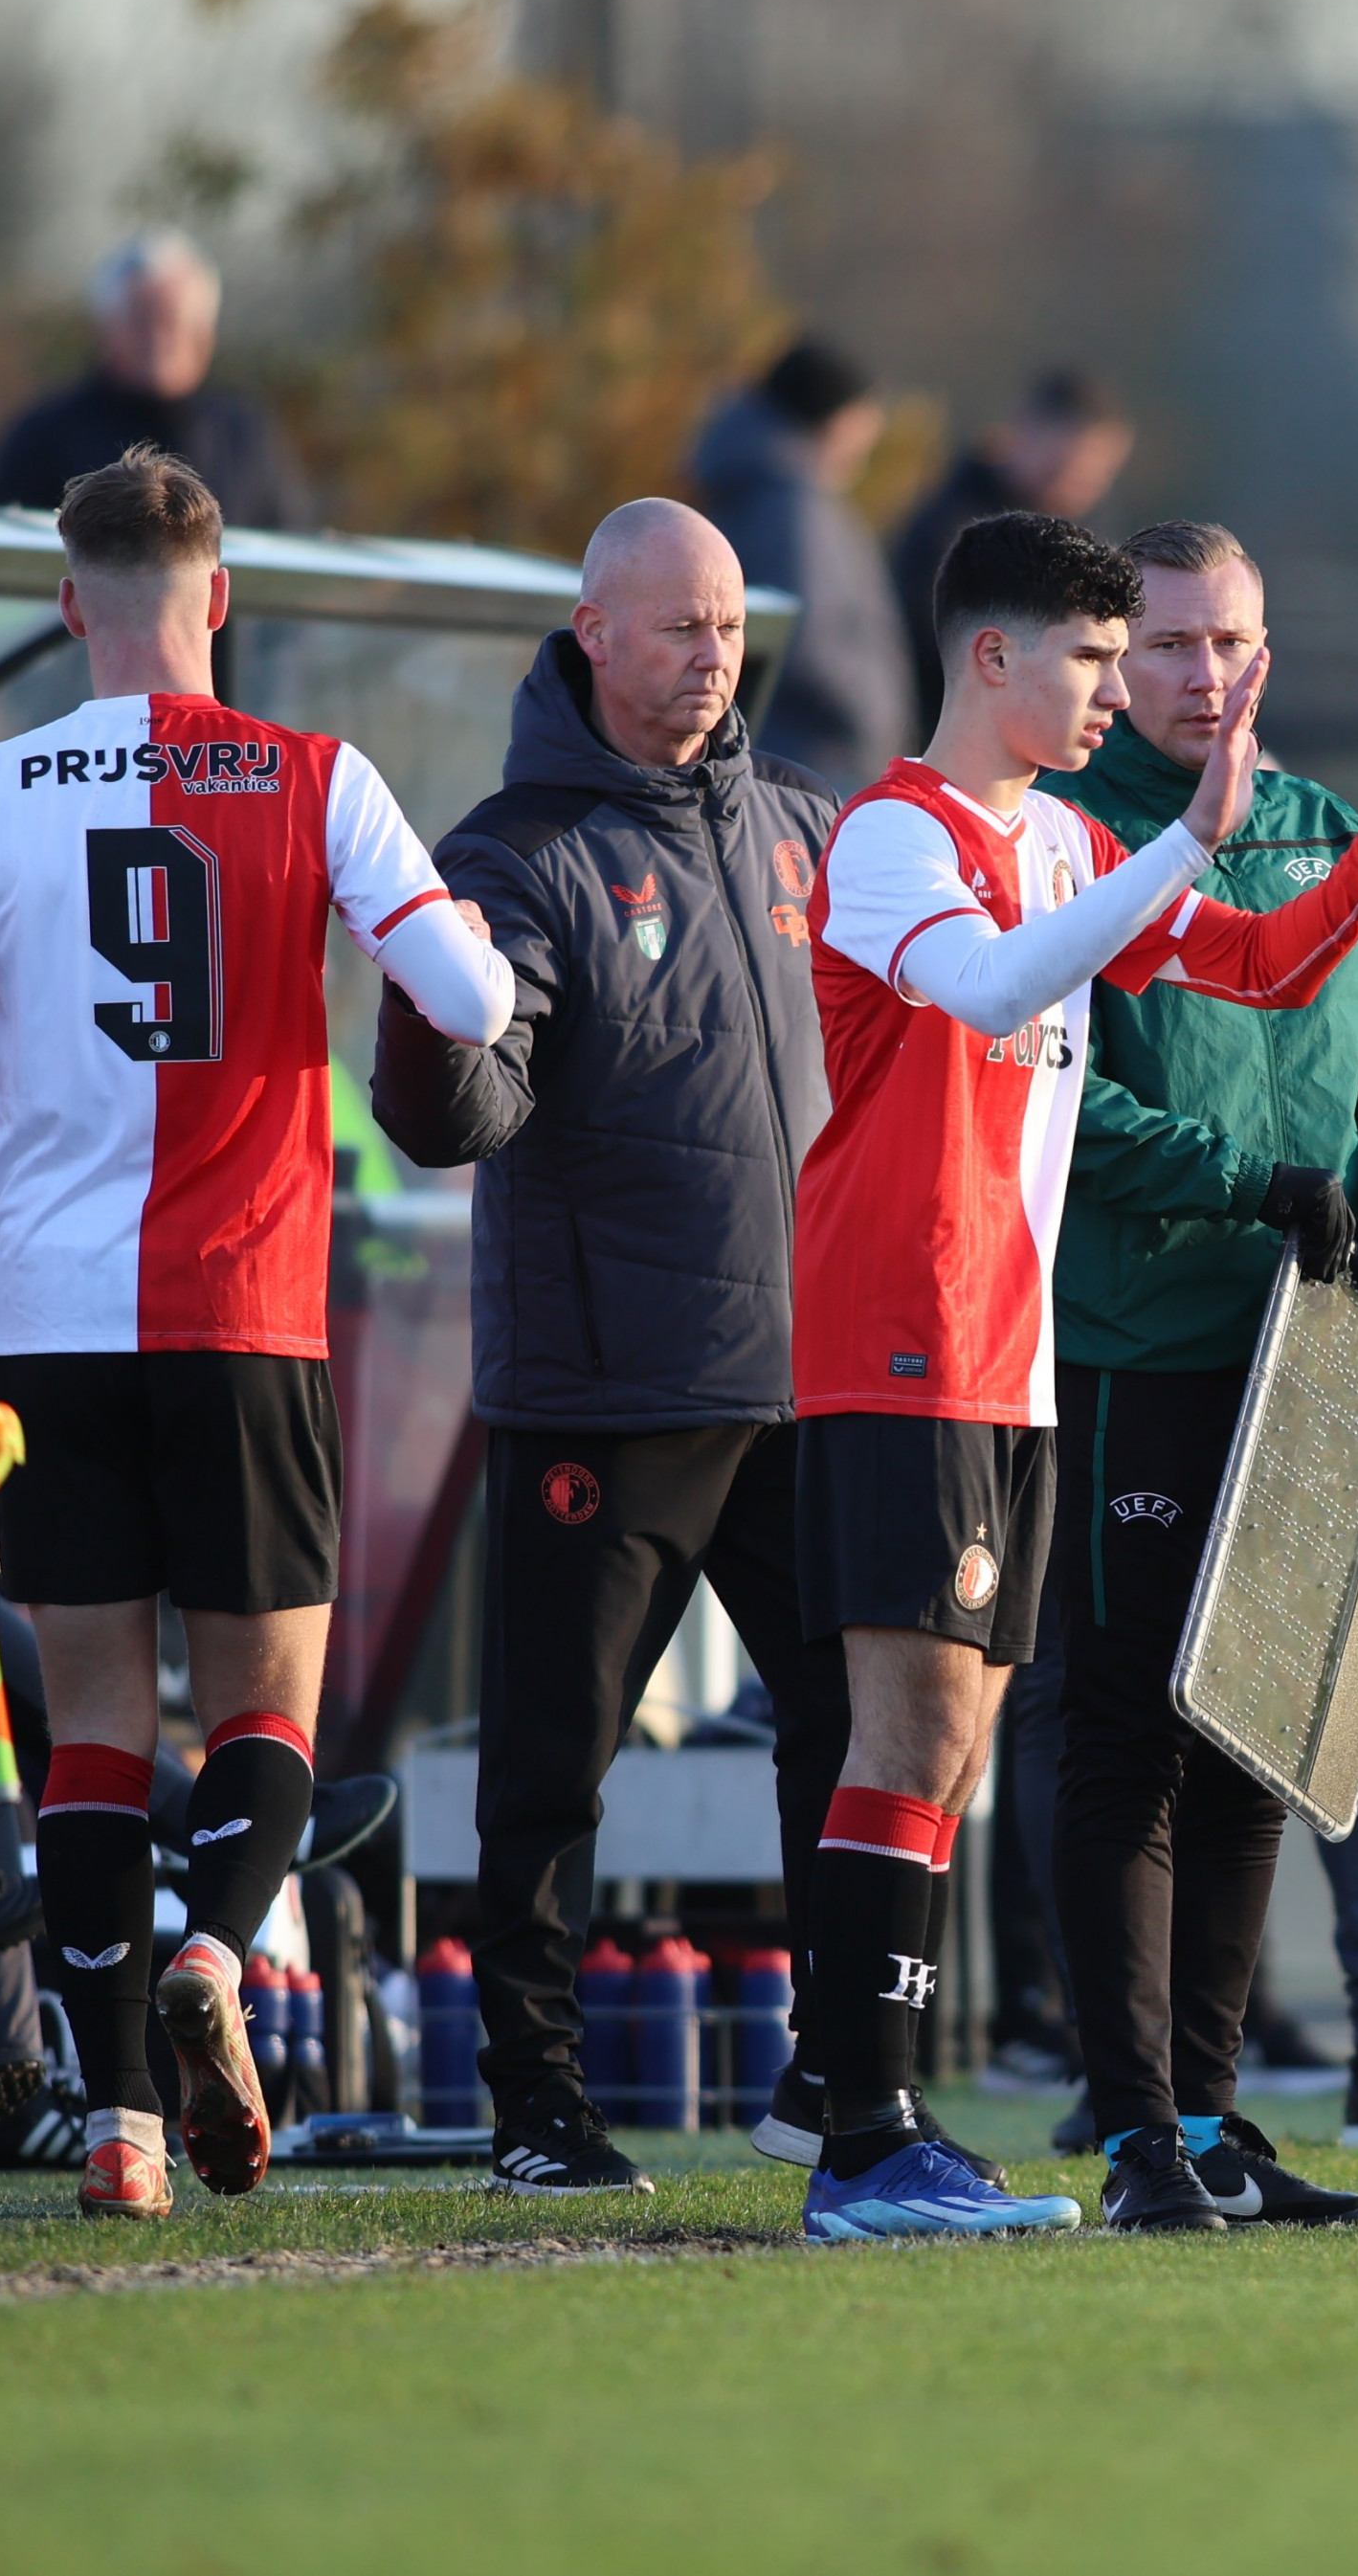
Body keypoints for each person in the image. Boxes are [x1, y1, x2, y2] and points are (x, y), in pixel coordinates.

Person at [0, 444, 511, 2219]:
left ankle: (121, 2121)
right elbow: (466, 995)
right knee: (268, 1706)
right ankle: (219, 1949)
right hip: (253, 1309)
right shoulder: (313, 777)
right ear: (221, 596)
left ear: (73, 602)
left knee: (94, 1736)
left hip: (52, 1318)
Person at [785, 509, 1358, 2242]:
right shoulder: (888, 839)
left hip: (1010, 1348)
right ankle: (863, 2132)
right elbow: (993, 982)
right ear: (989, 659)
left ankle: (883, 2115)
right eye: (1088, 658)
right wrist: (1192, 848)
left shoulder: (1074, 843)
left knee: (961, 1736)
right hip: (899, 1325)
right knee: (920, 1726)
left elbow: (1263, 961)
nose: (1113, 691)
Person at [372, 497, 856, 2197]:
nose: (713, 656)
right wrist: (429, 1041)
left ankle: (844, 2078)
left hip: (803, 1386)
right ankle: (538, 2106)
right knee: (550, 1775)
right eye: (678, 627)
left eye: (729, 627)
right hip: (608, 1392)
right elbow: (467, 1112)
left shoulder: (807, 825)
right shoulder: (513, 853)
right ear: (594, 631)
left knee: (856, 1730)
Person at [1028, 517, 1358, 2232]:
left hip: (1305, 1352)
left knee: (1255, 1733)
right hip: (1140, 1342)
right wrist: (1246, 1180)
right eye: (1172, 648)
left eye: (1233, 644)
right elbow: (1075, 1110)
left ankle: (1209, 2119)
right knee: (1124, 1737)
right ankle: (1134, 2125)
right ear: (1113, 662)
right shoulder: (1074, 838)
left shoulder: (1313, 832)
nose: (1205, 678)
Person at [0, 230, 310, 531]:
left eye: (175, 320)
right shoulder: (44, 436)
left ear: (205, 331)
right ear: (106, 328)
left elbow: (287, 548)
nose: (159, 339)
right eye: (142, 320)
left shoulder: (243, 434)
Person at [693, 336, 911, 791]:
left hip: (796, 753)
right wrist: (872, 713)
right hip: (815, 760)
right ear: (835, 419)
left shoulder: (770, 488)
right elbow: (809, 635)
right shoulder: (790, 505)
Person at [890, 371, 1133, 736]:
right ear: (1021, 435)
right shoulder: (951, 532)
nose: (1078, 488)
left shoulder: (1087, 539)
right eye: (1062, 467)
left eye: (1097, 476)